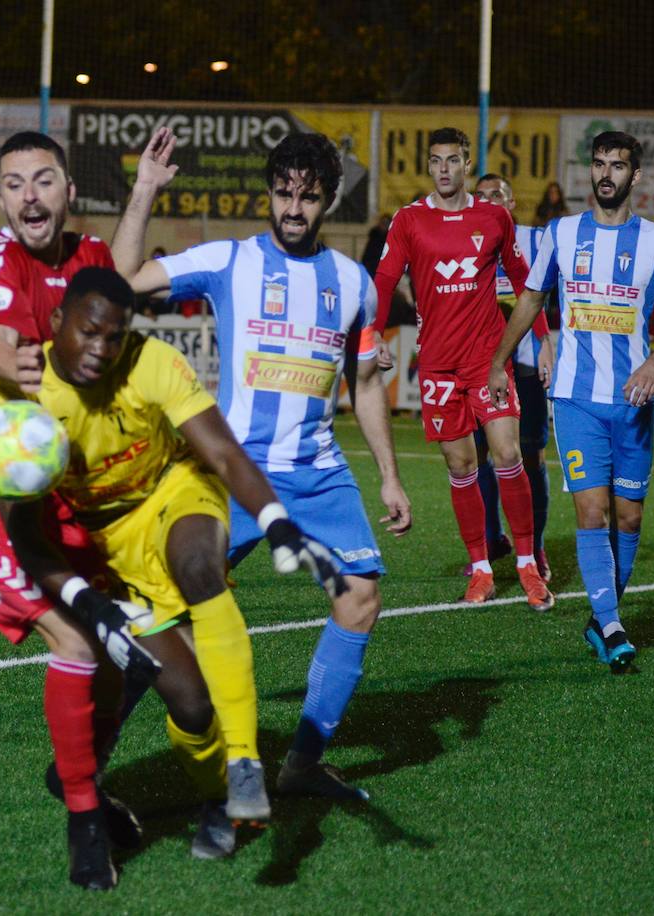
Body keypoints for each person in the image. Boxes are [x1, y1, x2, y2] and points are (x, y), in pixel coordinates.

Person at [0, 267, 348, 876]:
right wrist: (85, 599)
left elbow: (221, 451)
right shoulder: (19, 403)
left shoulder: (151, 362)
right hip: (106, 549)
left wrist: (276, 522)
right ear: (56, 325)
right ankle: (216, 792)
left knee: (199, 570)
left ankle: (243, 764)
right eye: (88, 332)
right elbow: (24, 534)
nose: (102, 350)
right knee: (188, 702)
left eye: (116, 336)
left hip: (177, 491)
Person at [0, 129, 184, 889]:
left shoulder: (88, 256)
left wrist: (143, 192)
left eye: (44, 180)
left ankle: (80, 770)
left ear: (68, 191)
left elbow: (124, 277)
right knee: (78, 636)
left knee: (150, 630)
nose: (30, 195)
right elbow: (6, 346)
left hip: (60, 498)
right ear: (2, 198)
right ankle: (84, 822)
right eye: (15, 184)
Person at [130, 133, 413, 801]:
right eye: (283, 193)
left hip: (316, 471)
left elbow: (366, 383)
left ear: (328, 199)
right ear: (269, 192)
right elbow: (127, 282)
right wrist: (144, 192)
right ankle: (103, 759)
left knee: (360, 597)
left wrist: (389, 475)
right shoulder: (228, 261)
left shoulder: (355, 285)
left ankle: (305, 763)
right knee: (168, 612)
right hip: (230, 469)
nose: (293, 208)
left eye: (308, 196)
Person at [488, 130, 654, 672]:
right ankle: (610, 624)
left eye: (619, 166)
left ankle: (603, 617)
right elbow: (531, 297)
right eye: (600, 164)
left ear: (636, 175)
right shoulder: (561, 234)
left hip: (631, 401)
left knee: (628, 520)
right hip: (577, 397)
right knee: (591, 510)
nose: (607, 174)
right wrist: (497, 362)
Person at [371, 127, 553, 609]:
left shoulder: (493, 217)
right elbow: (385, 278)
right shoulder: (409, 220)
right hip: (437, 363)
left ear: (466, 163)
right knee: (460, 465)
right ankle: (480, 569)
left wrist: (545, 340)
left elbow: (524, 281)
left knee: (508, 452)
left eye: (453, 160)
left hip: (487, 360)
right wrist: (373, 333)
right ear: (429, 166)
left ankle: (527, 562)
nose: (444, 169)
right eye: (436, 161)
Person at [473, 172, 554, 583]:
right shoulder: (462, 236)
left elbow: (537, 294)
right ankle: (491, 538)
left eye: (496, 195)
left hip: (521, 366)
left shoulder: (536, 239)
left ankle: (535, 544)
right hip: (474, 368)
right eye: (480, 195)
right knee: (477, 455)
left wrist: (546, 344)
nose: (488, 201)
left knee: (530, 453)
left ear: (511, 202)